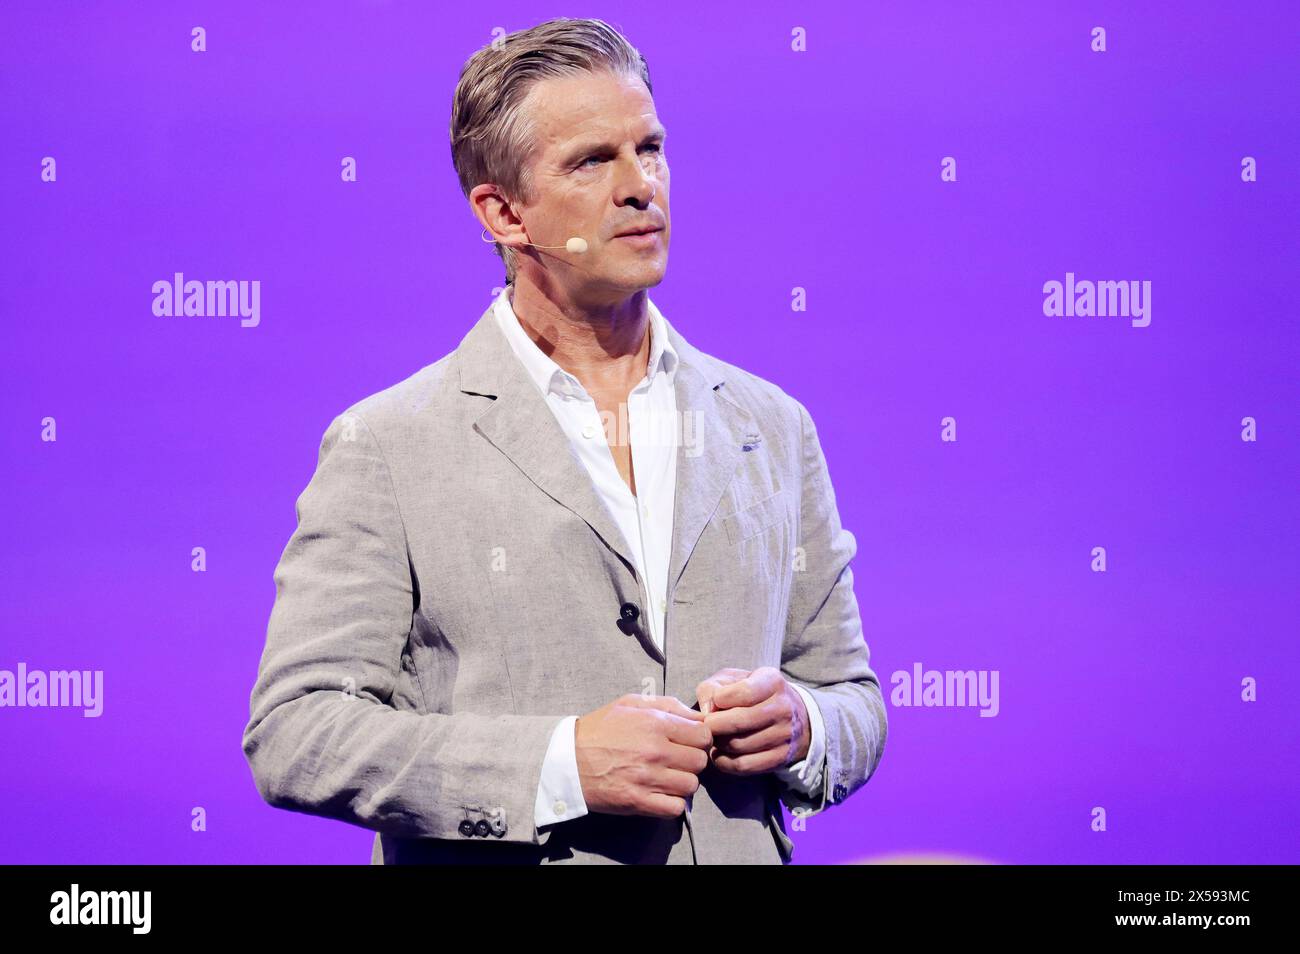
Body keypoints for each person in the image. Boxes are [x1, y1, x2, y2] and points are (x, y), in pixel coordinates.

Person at [241, 16, 887, 865]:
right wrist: (560, 765)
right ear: (503, 211)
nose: (640, 186)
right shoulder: (388, 444)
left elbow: (852, 698)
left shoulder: (771, 425)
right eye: (592, 161)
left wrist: (804, 727)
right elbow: (298, 733)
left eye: (649, 148)